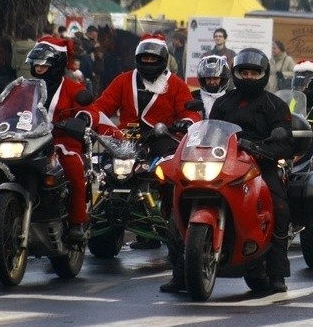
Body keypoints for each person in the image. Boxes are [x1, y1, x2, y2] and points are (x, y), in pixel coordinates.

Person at [161, 48, 294, 293]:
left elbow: (286, 141)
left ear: (263, 75)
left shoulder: (274, 105)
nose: (250, 77)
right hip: (224, 163)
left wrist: (263, 148)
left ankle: (277, 274)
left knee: (280, 206)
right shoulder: (224, 102)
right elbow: (210, 131)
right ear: (236, 73)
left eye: (255, 72)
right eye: (245, 72)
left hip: (259, 164)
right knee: (175, 205)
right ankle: (180, 273)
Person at [81, 33, 200, 249]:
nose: (148, 63)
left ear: (163, 60)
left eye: (153, 59)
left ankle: (172, 220)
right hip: (125, 139)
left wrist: (185, 122)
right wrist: (91, 118)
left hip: (162, 138)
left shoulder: (176, 84)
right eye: (144, 59)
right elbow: (101, 106)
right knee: (103, 172)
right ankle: (95, 217)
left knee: (169, 178)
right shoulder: (123, 80)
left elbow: (190, 112)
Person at [0, 37, 92, 242]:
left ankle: (76, 223)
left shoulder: (74, 88)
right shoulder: (23, 88)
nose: (38, 68)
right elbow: (2, 107)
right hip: (28, 141)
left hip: (60, 142)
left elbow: (89, 109)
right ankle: (2, 236)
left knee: (73, 167)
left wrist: (82, 119)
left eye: (44, 64)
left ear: (56, 64)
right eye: (36, 64)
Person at [191, 55, 232, 119]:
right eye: (208, 78)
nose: (212, 82)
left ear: (223, 79)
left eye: (215, 78)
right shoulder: (194, 96)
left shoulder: (231, 97)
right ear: (203, 79)